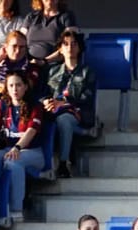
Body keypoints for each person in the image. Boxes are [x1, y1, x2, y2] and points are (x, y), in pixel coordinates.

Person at [40, 28, 94, 176]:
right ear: (60, 49)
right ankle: (44, 165)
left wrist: (64, 102)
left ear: (80, 48)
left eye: (74, 44)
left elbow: (87, 97)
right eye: (66, 44)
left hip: (77, 113)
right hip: (52, 111)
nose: (70, 47)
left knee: (64, 120)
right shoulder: (53, 71)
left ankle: (63, 164)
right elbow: (43, 94)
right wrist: (46, 102)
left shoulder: (87, 72)